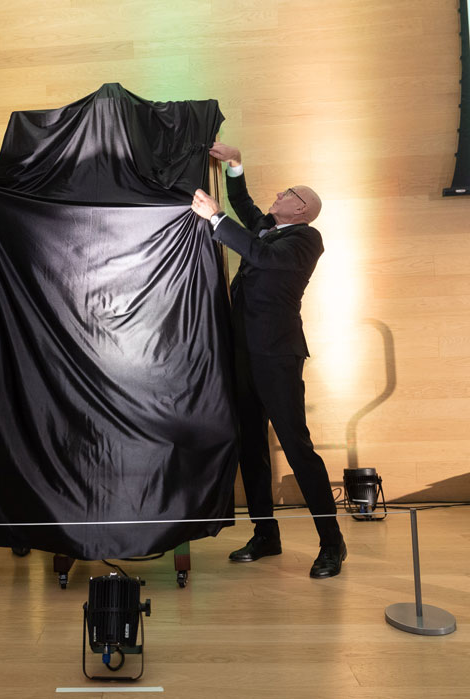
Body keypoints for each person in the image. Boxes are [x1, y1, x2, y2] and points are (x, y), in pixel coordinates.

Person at [191, 143, 346, 578]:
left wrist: (215, 219)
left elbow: (261, 256)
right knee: (251, 445)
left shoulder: (305, 240)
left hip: (277, 355)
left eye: (286, 193)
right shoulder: (269, 228)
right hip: (241, 351)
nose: (278, 195)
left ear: (301, 208)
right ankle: (266, 534)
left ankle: (332, 543)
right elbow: (242, 202)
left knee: (297, 447)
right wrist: (236, 164)